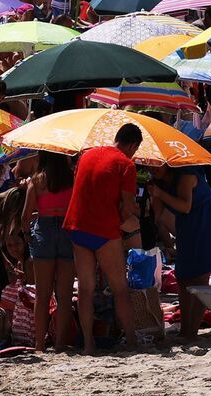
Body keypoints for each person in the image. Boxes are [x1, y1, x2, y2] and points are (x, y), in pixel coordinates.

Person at [63, 123, 144, 354]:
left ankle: (88, 344)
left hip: (77, 225)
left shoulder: (87, 155)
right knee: (120, 288)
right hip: (104, 229)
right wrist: (134, 214)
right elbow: (127, 209)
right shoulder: (126, 164)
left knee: (85, 290)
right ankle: (130, 341)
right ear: (133, 145)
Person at [149, 165, 211, 340]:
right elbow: (159, 215)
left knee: (200, 278)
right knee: (183, 277)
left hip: (207, 222)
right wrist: (154, 197)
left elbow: (185, 206)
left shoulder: (186, 175)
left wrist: (160, 194)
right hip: (188, 225)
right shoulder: (158, 183)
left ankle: (191, 331)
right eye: (150, 165)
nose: (153, 168)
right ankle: (186, 329)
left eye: (157, 164)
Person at [21, 151, 75, 352]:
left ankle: (40, 344)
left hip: (43, 230)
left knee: (42, 294)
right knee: (64, 293)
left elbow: (25, 216)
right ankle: (60, 342)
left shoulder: (36, 181)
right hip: (67, 231)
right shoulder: (72, 179)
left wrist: (27, 236)